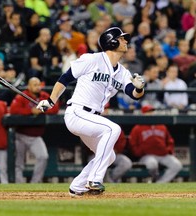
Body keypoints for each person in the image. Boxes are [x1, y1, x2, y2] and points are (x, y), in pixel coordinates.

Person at [36, 27, 145, 196]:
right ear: (112, 41)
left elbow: (134, 94)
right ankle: (94, 180)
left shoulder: (123, 72)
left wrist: (139, 88)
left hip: (93, 118)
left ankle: (77, 187)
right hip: (78, 112)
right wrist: (51, 100)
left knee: (109, 157)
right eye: (122, 38)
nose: (126, 41)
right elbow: (65, 78)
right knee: (112, 129)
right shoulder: (92, 59)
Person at [10, 77, 59, 183]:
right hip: (21, 134)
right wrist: (30, 111)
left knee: (43, 156)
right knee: (18, 162)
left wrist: (42, 110)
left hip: (36, 136)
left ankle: (35, 182)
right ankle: (19, 184)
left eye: (38, 84)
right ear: (29, 86)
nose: (37, 87)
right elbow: (13, 110)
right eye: (34, 85)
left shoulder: (44, 96)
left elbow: (55, 108)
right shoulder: (22, 96)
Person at [129, 105, 183, 183]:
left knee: (177, 165)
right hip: (147, 156)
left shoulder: (161, 126)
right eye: (148, 112)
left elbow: (170, 141)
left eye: (152, 111)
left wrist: (167, 150)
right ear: (143, 114)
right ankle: (156, 179)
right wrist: (139, 152)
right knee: (152, 165)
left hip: (163, 155)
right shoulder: (137, 127)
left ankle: (160, 183)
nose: (151, 113)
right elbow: (132, 144)